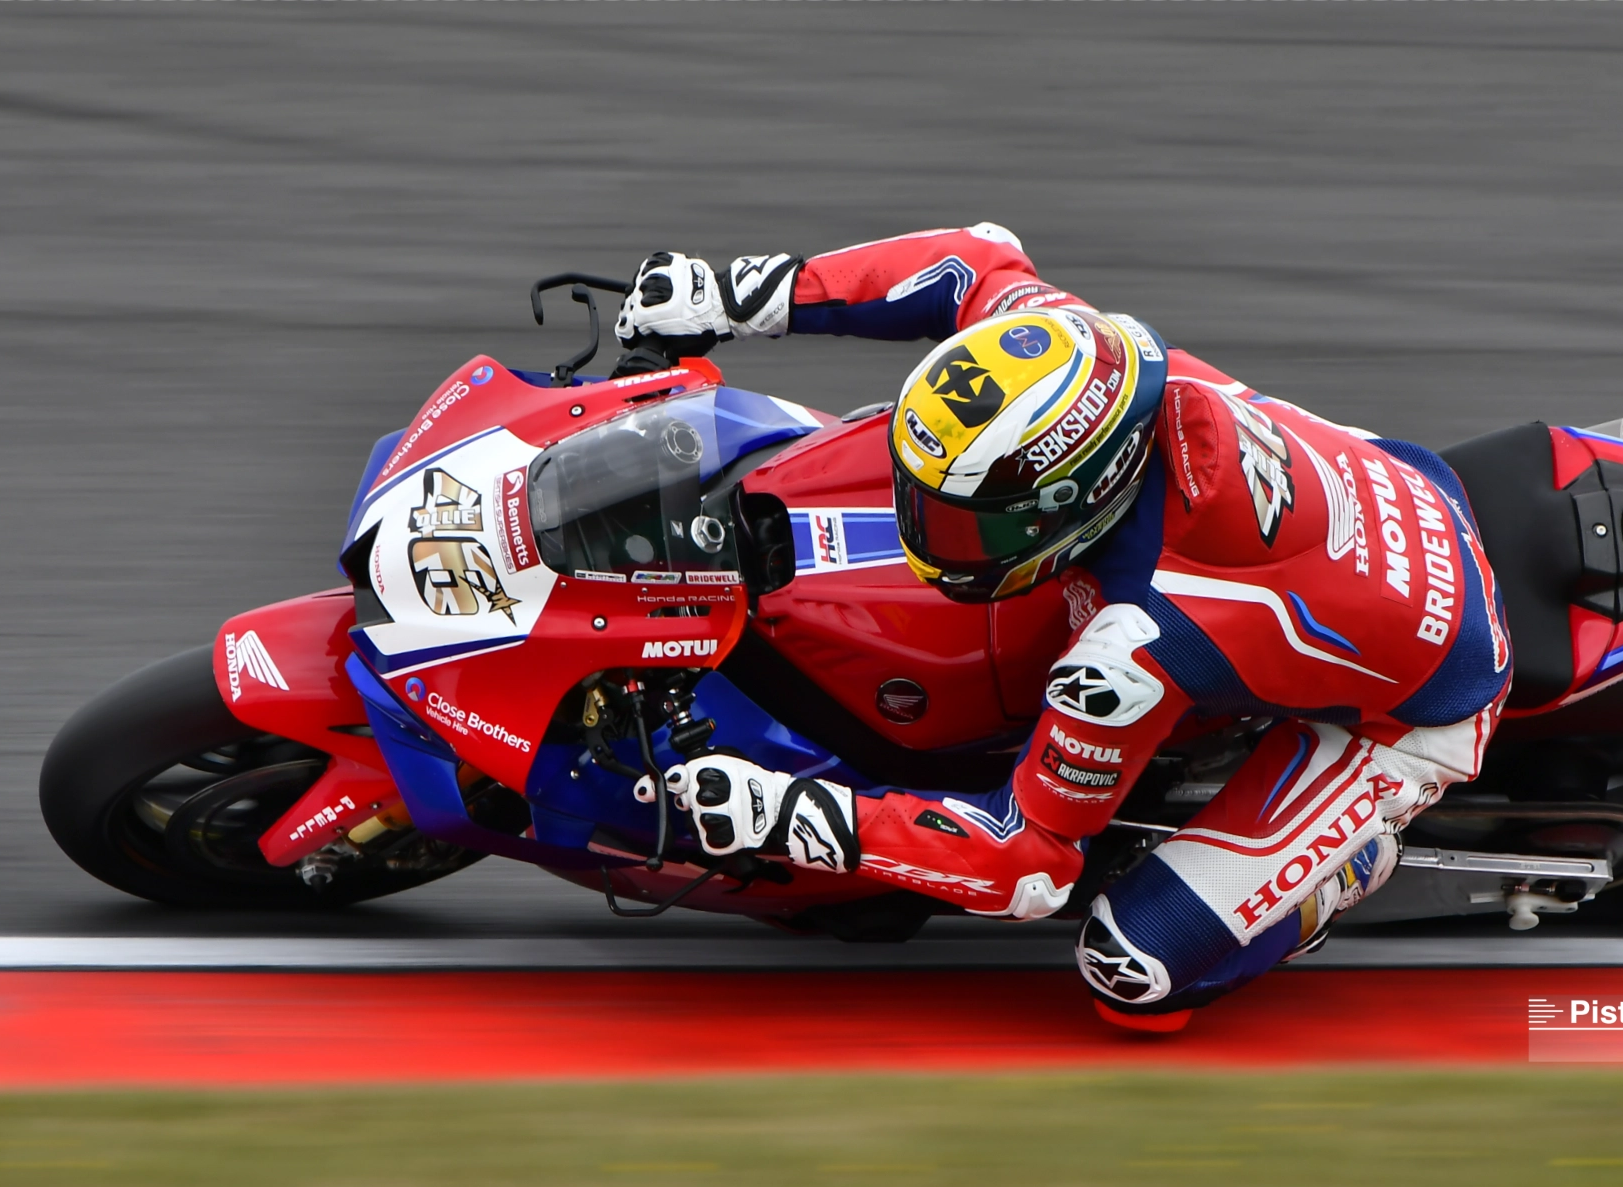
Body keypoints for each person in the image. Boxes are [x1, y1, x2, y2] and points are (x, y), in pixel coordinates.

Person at [621, 225, 1511, 1030]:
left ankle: (1347, 867)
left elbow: (1029, 865)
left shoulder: (1135, 645)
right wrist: (732, 294)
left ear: (1073, 500)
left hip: (1419, 701)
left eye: (966, 520)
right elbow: (969, 259)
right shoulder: (1081, 356)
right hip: (1391, 485)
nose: (924, 530)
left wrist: (798, 815)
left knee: (1131, 972)